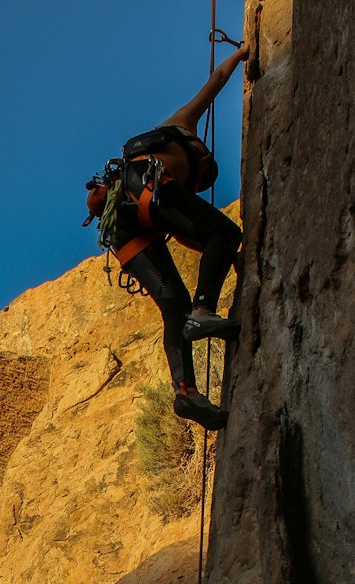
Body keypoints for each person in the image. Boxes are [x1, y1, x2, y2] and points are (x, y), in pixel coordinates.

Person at [114, 43, 249, 429]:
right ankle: (204, 313)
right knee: (226, 229)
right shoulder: (181, 127)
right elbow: (215, 82)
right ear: (203, 158)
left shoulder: (174, 186)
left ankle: (185, 393)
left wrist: (227, 255)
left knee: (174, 301)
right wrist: (239, 55)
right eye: (199, 180)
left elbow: (195, 235)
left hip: (125, 223)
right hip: (147, 186)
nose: (195, 185)